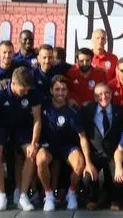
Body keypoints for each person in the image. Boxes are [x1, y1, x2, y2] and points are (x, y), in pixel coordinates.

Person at [0, 66, 43, 211]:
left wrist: (34, 143)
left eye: (27, 89)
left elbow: (37, 119)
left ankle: (22, 195)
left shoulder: (32, 93)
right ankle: (1, 195)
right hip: (1, 128)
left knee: (31, 153)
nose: (26, 92)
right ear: (13, 83)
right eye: (23, 90)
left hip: (22, 128)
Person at [37, 75, 95, 211]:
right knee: (40, 159)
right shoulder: (43, 105)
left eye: (63, 89)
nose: (60, 93)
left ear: (67, 91)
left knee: (79, 163)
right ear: (51, 91)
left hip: (67, 146)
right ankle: (49, 194)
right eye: (57, 89)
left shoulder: (72, 112)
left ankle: (71, 192)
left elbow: (82, 137)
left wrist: (88, 161)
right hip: (48, 145)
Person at [80, 83, 123, 210]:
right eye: (99, 94)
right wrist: (87, 162)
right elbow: (81, 133)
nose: (104, 96)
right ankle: (93, 198)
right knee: (87, 177)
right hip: (95, 154)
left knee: (118, 178)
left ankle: (115, 200)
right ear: (95, 97)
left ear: (111, 94)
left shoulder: (121, 111)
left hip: (114, 154)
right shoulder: (86, 111)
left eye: (107, 93)